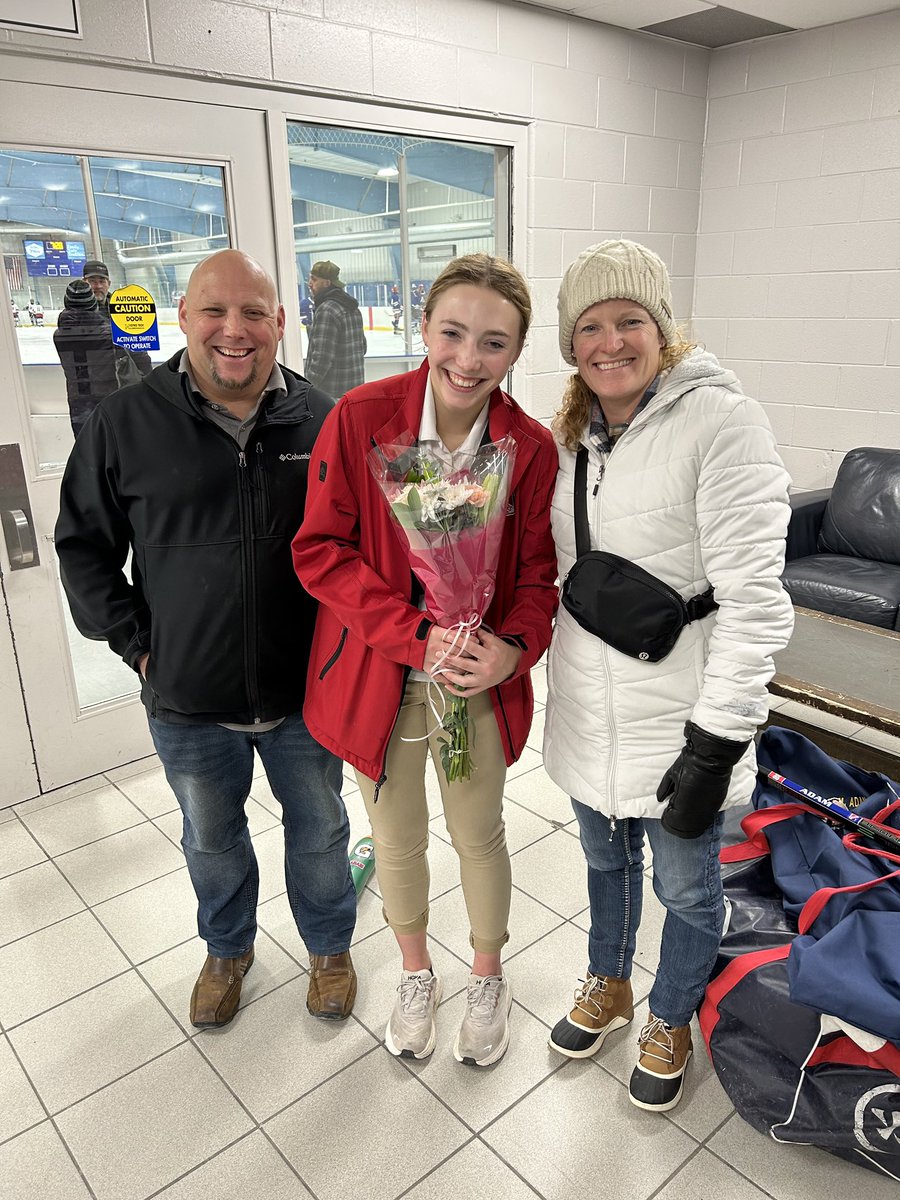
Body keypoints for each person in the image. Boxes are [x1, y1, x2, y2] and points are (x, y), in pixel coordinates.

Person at [56, 249, 358, 1030]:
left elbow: (359, 555)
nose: (235, 331)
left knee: (321, 831)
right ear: (183, 317)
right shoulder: (127, 422)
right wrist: (141, 646)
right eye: (214, 312)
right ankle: (227, 949)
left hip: (303, 696)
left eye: (254, 313)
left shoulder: (325, 421)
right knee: (212, 839)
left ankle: (329, 947)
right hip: (190, 701)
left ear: (279, 323)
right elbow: (83, 549)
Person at [543, 239, 794, 1112]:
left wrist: (717, 741)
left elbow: (756, 601)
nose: (610, 342)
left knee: (686, 886)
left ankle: (670, 1013)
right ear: (572, 347)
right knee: (602, 862)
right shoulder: (567, 437)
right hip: (585, 705)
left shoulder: (723, 421)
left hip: (682, 715)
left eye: (630, 321)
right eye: (590, 328)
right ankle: (607, 982)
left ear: (663, 328)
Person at [293, 254, 558, 1067]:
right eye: (452, 333)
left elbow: (536, 576)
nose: (468, 359)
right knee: (396, 838)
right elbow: (322, 550)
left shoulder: (530, 446)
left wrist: (510, 651)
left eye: (494, 343)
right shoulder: (361, 416)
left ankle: (486, 975)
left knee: (479, 834)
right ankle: (417, 974)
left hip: (472, 679)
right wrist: (414, 636)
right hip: (381, 674)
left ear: (517, 351)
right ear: (423, 327)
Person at [53, 278, 120, 438]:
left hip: (77, 397)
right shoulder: (109, 334)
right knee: (112, 444)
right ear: (92, 304)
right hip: (107, 396)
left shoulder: (59, 335)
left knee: (85, 446)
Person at [83, 258, 153, 383]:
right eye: (92, 281)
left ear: (108, 283)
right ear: (84, 283)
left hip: (122, 379)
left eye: (101, 281)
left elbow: (137, 347)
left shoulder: (122, 308)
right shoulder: (76, 313)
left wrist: (148, 376)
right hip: (93, 383)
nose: (97, 286)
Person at [304, 260, 367, 397]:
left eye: (314, 280)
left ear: (327, 283)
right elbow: (363, 347)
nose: (310, 284)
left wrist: (306, 389)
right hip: (355, 392)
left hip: (332, 395)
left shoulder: (327, 310)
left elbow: (321, 360)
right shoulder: (353, 308)